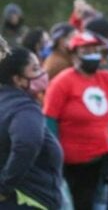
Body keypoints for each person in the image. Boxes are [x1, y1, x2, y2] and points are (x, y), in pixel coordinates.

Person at [43, 32, 108, 210]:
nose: (92, 54)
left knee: (96, 203)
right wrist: (54, 154)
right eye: (86, 50)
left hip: (98, 158)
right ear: (74, 55)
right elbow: (50, 118)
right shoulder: (62, 82)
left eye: (95, 50)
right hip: (70, 163)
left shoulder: (103, 78)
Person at [0, 45, 63, 209]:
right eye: (35, 69)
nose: (42, 73)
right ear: (18, 79)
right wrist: (4, 186)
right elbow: (26, 144)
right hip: (30, 200)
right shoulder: (25, 108)